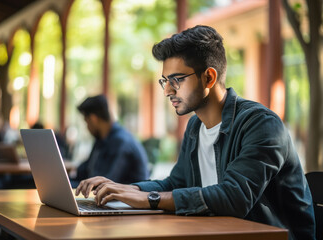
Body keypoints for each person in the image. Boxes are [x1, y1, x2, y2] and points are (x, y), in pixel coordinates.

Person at [75, 26, 316, 240]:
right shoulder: (196, 126)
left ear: (209, 77)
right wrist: (127, 189)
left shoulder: (261, 125)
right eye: (164, 81)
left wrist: (149, 199)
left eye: (176, 79)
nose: (167, 90)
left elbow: (235, 197)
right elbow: (176, 183)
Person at [73, 94, 149, 185]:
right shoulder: (102, 139)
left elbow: (105, 184)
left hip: (122, 198)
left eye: (86, 122)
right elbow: (86, 171)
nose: (87, 127)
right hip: (107, 196)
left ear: (93, 119)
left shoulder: (121, 142)